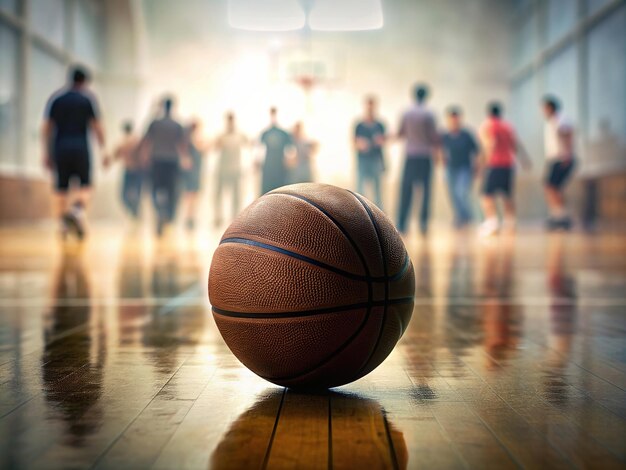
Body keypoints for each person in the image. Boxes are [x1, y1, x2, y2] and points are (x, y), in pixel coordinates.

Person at [41, 65, 108, 240]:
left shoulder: (56, 99)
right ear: (85, 82)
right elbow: (97, 127)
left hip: (60, 147)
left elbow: (46, 128)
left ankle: (63, 224)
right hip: (80, 148)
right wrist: (104, 150)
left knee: (61, 188)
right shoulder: (87, 100)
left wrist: (46, 153)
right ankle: (77, 210)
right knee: (85, 185)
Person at [478, 102, 531, 237]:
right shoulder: (507, 126)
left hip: (494, 164)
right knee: (507, 195)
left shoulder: (488, 125)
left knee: (486, 195)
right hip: (508, 164)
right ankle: (510, 222)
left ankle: (492, 222)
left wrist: (483, 163)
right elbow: (515, 144)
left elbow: (490, 144)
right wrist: (524, 159)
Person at [141, 96, 189, 236]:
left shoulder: (154, 123)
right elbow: (182, 145)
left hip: (156, 161)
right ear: (173, 107)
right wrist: (185, 159)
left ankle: (160, 212)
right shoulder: (178, 124)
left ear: (163, 107)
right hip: (172, 162)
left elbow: (146, 141)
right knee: (172, 191)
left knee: (156, 189)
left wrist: (145, 157)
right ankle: (168, 215)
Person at [396, 83, 440, 235]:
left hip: (410, 156)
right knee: (426, 191)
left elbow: (400, 133)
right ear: (426, 96)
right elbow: (434, 137)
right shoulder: (429, 114)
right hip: (425, 156)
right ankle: (423, 224)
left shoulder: (407, 113)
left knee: (406, 190)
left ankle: (402, 223)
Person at [441, 106, 479, 228]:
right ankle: (460, 217)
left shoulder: (466, 134)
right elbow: (441, 150)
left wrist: (477, 167)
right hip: (450, 168)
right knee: (453, 194)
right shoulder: (445, 135)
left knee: (461, 192)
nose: (454, 121)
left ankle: (468, 216)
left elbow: (476, 151)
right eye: (451, 118)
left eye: (456, 118)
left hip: (465, 168)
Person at [542, 95, 576, 230]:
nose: (543, 112)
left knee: (551, 186)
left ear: (550, 107)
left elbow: (567, 135)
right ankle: (559, 215)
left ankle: (560, 215)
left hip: (561, 158)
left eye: (544, 108)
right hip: (556, 158)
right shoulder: (552, 121)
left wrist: (567, 154)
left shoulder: (560, 119)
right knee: (554, 187)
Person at [214, 112, 249, 226]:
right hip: (223, 169)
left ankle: (234, 218)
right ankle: (218, 217)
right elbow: (215, 146)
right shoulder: (222, 136)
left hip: (235, 170)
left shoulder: (239, 135)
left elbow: (249, 143)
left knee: (236, 196)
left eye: (232, 120)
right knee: (219, 195)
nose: (230, 122)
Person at [354, 96, 386, 208]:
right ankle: (360, 213)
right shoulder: (359, 125)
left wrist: (379, 141)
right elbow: (354, 143)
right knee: (360, 191)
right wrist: (361, 144)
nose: (370, 109)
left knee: (377, 192)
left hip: (375, 160)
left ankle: (379, 217)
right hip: (362, 161)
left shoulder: (380, 125)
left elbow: (383, 141)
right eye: (368, 106)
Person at [181, 119, 208, 231]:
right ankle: (189, 218)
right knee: (191, 196)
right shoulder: (193, 140)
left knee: (192, 196)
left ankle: (190, 218)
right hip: (193, 172)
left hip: (195, 171)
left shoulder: (189, 141)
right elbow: (203, 149)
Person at [113, 121, 143, 221]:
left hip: (135, 171)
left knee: (127, 195)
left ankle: (135, 213)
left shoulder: (133, 141)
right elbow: (116, 155)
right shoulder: (132, 141)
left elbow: (115, 155)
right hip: (131, 171)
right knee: (125, 196)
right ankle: (134, 213)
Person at [260, 107, 293, 194]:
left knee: (281, 192)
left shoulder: (284, 133)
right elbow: (259, 148)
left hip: (280, 167)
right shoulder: (265, 132)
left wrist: (289, 160)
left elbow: (290, 149)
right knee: (267, 193)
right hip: (268, 167)